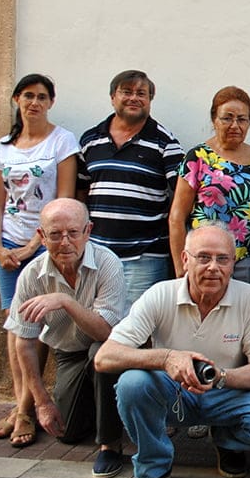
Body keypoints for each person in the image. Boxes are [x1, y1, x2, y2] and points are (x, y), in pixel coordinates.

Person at [95, 223, 250, 478]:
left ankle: (227, 441)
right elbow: (104, 357)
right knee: (132, 383)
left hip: (227, 391)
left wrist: (220, 377)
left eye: (222, 259)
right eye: (203, 257)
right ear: (184, 259)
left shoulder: (249, 298)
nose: (213, 267)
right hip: (173, 392)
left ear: (233, 263)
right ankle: (152, 467)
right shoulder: (160, 294)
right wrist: (167, 359)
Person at [0, 73, 79, 446]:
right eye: (28, 96)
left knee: (37, 323)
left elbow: (65, 201)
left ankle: (26, 408)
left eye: (42, 96)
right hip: (8, 243)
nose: (34, 102)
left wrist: (33, 246)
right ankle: (19, 404)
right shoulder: (4, 148)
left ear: (51, 102)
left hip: (46, 243)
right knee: (14, 322)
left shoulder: (62, 141)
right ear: (16, 100)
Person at [4, 199, 127, 478]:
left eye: (73, 233)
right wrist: (42, 402)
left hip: (107, 347)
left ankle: (110, 445)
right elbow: (24, 341)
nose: (65, 242)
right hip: (68, 353)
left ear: (88, 231)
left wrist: (65, 301)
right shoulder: (32, 275)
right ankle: (101, 414)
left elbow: (105, 332)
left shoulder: (107, 263)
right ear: (41, 236)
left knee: (101, 355)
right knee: (67, 432)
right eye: (55, 235)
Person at [78, 70, 183, 309]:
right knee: (96, 324)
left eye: (141, 93)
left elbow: (181, 196)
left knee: (137, 330)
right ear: (113, 97)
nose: (134, 98)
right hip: (97, 255)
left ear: (149, 100)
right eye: (127, 92)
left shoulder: (165, 142)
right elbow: (80, 192)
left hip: (145, 257)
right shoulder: (90, 140)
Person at [169, 86, 250, 284]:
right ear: (214, 120)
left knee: (242, 311)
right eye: (227, 118)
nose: (235, 125)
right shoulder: (198, 157)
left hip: (247, 259)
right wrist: (181, 270)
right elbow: (176, 217)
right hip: (206, 258)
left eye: (242, 119)